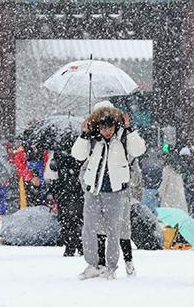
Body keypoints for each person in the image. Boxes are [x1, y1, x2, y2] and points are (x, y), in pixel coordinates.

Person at [71, 104, 146, 280]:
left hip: (116, 190)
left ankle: (111, 267)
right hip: (93, 189)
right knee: (89, 227)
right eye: (103, 127)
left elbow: (139, 150)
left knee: (114, 230)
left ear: (115, 125)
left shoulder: (123, 137)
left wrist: (129, 129)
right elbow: (78, 155)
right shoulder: (92, 139)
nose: (107, 131)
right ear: (97, 125)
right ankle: (93, 264)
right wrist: (83, 134)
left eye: (110, 127)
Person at [47, 148, 85, 257]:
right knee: (73, 220)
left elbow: (54, 168)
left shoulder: (65, 151)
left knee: (70, 220)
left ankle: (73, 245)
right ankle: (77, 245)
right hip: (71, 189)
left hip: (70, 189)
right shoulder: (63, 152)